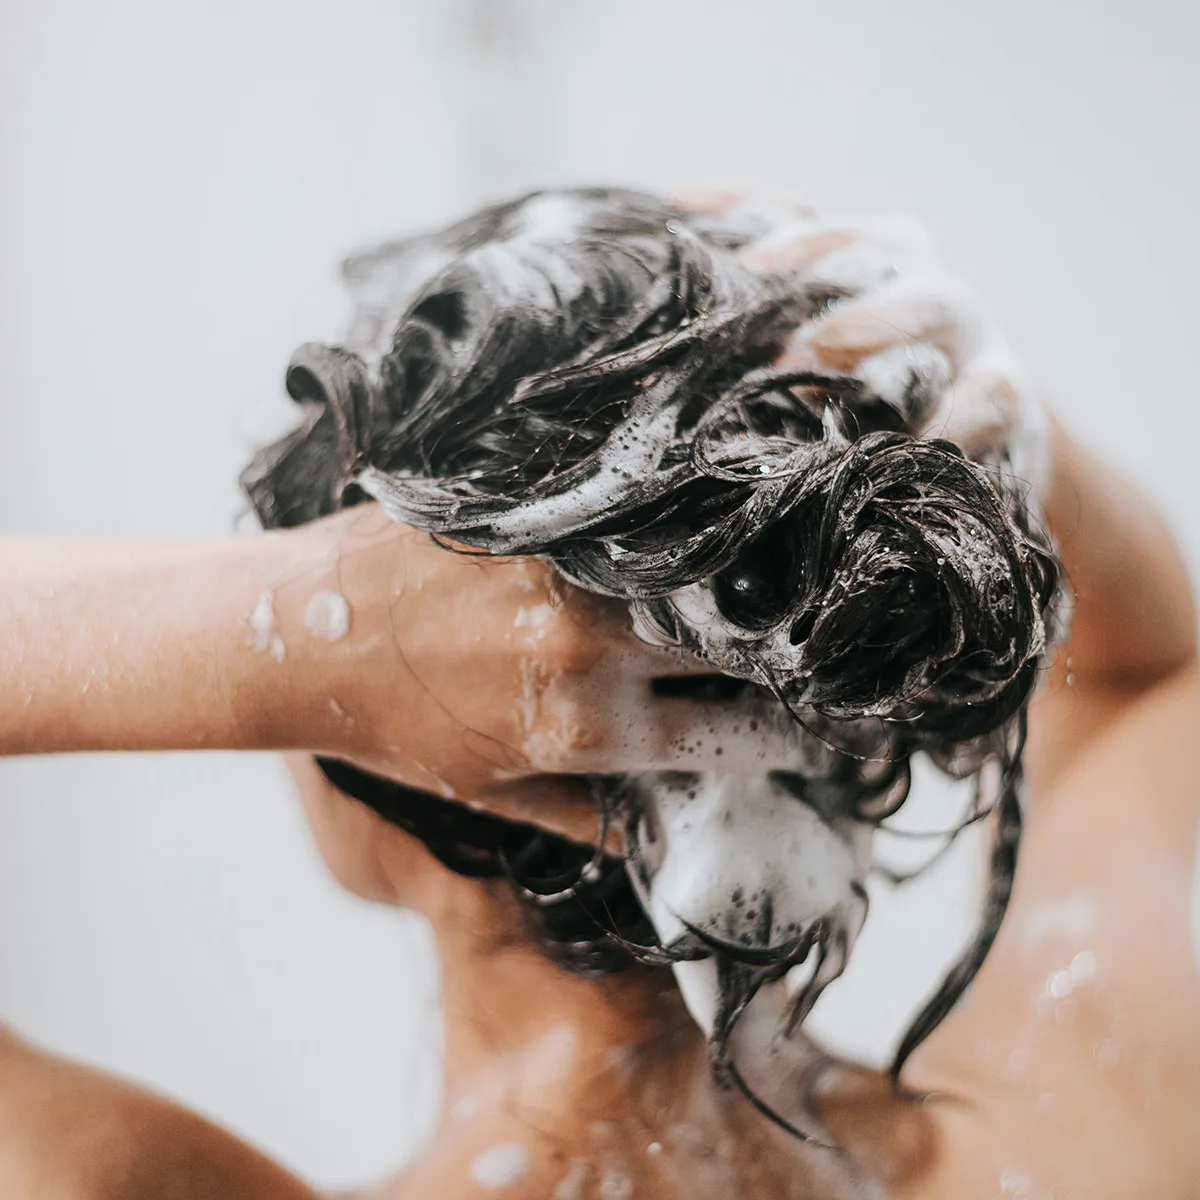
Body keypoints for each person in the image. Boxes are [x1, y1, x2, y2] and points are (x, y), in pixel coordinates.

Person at [0, 194, 1196, 1199]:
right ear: (856, 705)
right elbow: (1154, 682)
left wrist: (290, 627)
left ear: (348, 777)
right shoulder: (1093, 1111)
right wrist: (991, 423)